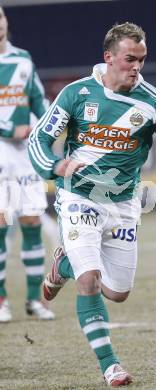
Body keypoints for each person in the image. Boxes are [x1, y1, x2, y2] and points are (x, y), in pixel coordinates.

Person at [28, 22, 156, 387]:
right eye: (130, 59)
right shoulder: (76, 94)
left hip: (123, 205)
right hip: (78, 197)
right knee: (91, 280)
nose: (137, 67)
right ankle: (110, 366)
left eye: (142, 60)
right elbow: (39, 139)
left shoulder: (153, 102)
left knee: (118, 292)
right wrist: (55, 166)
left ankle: (63, 263)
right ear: (108, 57)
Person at [0, 6, 55, 322]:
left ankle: (35, 299)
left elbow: (38, 100)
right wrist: (9, 129)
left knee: (32, 221)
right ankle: (1, 300)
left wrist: (42, 123)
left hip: (24, 155)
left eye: (1, 17)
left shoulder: (22, 58)